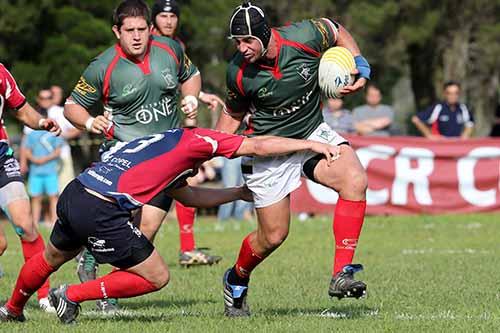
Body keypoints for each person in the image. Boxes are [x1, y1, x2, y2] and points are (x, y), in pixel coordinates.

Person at [0, 127, 340, 324]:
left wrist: (237, 192)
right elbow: (257, 145)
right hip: (102, 207)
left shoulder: (164, 146)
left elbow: (189, 197)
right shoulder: (199, 141)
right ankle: (71, 295)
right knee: (156, 276)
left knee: (51, 256)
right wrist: (310, 144)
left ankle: (12, 309)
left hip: (77, 192)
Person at [216, 2, 370, 317]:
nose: (241, 48)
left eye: (247, 40)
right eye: (237, 42)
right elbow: (232, 116)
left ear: (263, 33)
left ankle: (342, 273)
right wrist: (207, 150)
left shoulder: (304, 35)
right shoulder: (239, 71)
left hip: (313, 133)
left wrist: (360, 64)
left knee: (355, 180)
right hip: (269, 149)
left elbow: (337, 30)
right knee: (273, 236)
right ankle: (236, 278)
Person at [62, 0, 201, 312]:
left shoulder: (169, 49)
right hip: (126, 159)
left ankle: (97, 274)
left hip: (167, 159)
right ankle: (99, 285)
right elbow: (72, 105)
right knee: (130, 232)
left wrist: (191, 96)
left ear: (150, 29)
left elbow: (191, 74)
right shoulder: (103, 66)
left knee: (145, 234)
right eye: (130, 31)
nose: (137, 36)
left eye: (142, 30)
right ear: (117, 31)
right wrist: (88, 121)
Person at [151, 0, 226, 266]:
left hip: (170, 125)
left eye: (173, 16)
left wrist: (200, 95)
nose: (169, 21)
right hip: (145, 127)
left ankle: (188, 249)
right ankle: (91, 249)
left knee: (186, 181)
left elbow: (180, 80)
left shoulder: (177, 46)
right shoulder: (143, 42)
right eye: (163, 15)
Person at [0, 63, 61, 312]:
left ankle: (43, 296)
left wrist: (42, 122)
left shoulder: (1, 72)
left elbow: (23, 111)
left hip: (2, 160)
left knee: (26, 224)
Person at [24, 128, 64, 226]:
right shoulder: (31, 134)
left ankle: (54, 221)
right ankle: (35, 222)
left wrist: (44, 159)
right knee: (35, 197)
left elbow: (58, 151)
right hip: (35, 172)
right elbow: (27, 151)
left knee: (53, 197)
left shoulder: (53, 133)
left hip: (51, 171)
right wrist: (35, 159)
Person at [49, 85, 81, 192]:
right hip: (43, 157)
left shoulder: (62, 111)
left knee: (65, 187)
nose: (57, 96)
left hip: (62, 154)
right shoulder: (40, 112)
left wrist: (61, 136)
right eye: (54, 94)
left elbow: (77, 129)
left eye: (59, 94)